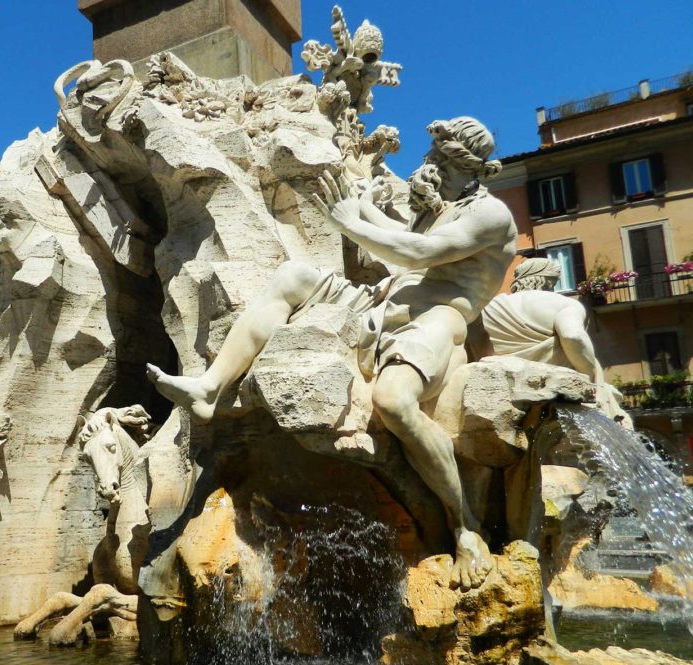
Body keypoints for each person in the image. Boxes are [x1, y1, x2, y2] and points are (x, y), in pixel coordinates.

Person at [147, 118, 517, 590]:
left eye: (447, 163)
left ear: (476, 171)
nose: (434, 167)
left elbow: (419, 253)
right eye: (435, 157)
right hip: (382, 304)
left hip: (438, 318)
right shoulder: (442, 206)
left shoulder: (491, 216)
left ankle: (464, 524)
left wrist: (350, 221)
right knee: (292, 277)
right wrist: (356, 205)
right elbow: (400, 234)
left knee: (394, 402)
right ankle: (210, 386)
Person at [479, 258, 632, 428]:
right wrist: (589, 375)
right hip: (555, 391)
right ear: (550, 280)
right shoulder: (563, 303)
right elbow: (573, 337)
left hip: (502, 388)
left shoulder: (491, 307)